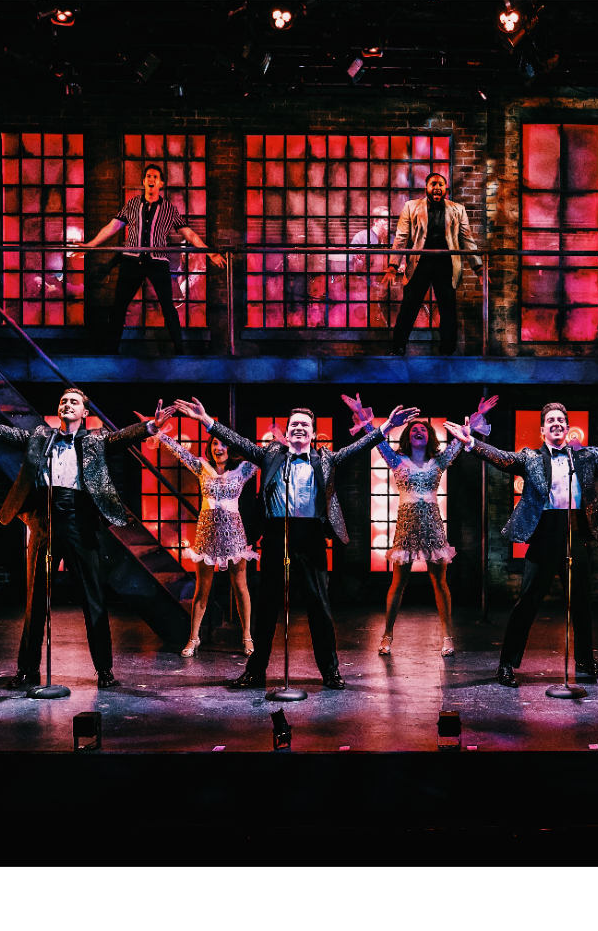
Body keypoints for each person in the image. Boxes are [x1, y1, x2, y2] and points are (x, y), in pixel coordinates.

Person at [0, 387, 174, 689]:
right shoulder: (40, 436)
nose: (67, 404)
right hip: (43, 521)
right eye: (64, 401)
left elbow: (122, 438)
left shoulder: (95, 440)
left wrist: (151, 426)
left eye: (74, 402)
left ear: (84, 413)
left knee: (93, 599)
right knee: (35, 601)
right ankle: (27, 670)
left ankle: (104, 670)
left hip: (79, 522)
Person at [174, 395, 417, 690]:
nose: (299, 428)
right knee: (267, 607)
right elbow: (239, 443)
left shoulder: (325, 459)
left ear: (312, 433)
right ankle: (256, 671)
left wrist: (387, 426)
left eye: (305, 425)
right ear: (287, 432)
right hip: (277, 533)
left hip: (310, 536)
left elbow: (356, 449)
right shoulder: (272, 455)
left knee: (319, 607)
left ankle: (330, 671)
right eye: (294, 425)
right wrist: (207, 422)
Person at [445, 403, 598, 688]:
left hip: (575, 533)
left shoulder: (584, 457)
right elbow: (503, 458)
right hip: (545, 533)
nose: (556, 423)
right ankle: (507, 664)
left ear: (567, 426)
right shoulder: (531, 458)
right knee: (527, 602)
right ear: (542, 429)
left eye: (561, 419)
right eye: (551, 420)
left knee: (582, 603)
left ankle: (585, 662)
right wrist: (472, 443)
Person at [348, 393, 499, 658]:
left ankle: (447, 636)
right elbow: (375, 438)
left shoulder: (438, 462)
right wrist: (362, 414)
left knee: (439, 582)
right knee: (398, 583)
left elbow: (462, 438)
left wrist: (477, 417)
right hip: (406, 526)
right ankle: (387, 635)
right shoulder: (396, 460)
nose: (419, 431)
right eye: (414, 429)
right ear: (408, 437)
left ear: (429, 437)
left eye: (423, 429)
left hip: (432, 526)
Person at [83, 164, 222, 355]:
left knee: (167, 306)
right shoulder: (132, 205)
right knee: (118, 306)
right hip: (131, 261)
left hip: (157, 262)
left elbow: (189, 234)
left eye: (155, 177)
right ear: (143, 181)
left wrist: (210, 252)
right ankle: (110, 350)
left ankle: (179, 350)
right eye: (148, 176)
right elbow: (111, 227)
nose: (151, 180)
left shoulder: (168, 209)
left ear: (161, 183)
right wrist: (91, 245)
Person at [149, 427, 259, 658]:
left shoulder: (243, 469)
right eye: (216, 443)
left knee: (240, 587)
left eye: (225, 444)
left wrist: (281, 440)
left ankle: (247, 636)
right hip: (207, 532)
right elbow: (179, 451)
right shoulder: (202, 467)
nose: (219, 448)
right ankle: (194, 638)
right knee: (202, 589)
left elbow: (264, 456)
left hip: (234, 533)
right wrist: (158, 432)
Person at [388, 173, 480, 356]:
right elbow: (401, 237)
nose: (437, 187)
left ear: (446, 188)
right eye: (433, 184)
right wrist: (392, 265)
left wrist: (478, 267)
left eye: (441, 184)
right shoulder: (411, 207)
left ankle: (447, 351)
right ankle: (398, 347)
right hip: (419, 263)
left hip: (446, 264)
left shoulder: (458, 209)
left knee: (447, 308)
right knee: (409, 306)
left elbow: (467, 239)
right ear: (426, 188)